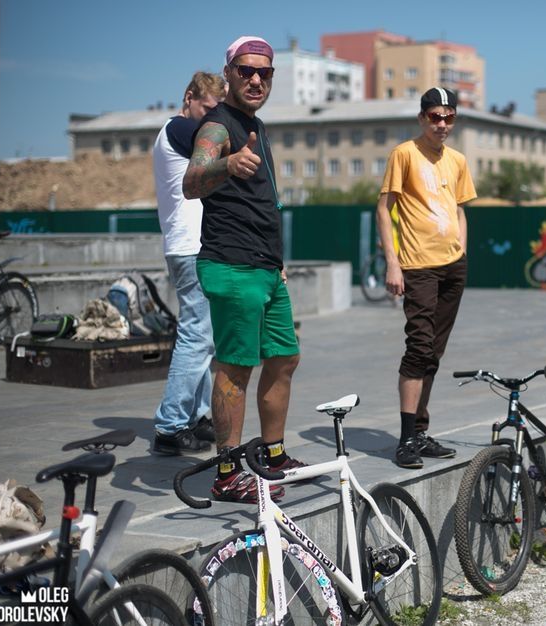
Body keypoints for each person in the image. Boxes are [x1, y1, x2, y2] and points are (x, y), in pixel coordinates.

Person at [183, 35, 304, 503]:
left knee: (284, 357)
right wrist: (228, 164)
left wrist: (277, 262)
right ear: (229, 72)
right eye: (246, 71)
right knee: (235, 368)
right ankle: (228, 472)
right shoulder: (217, 127)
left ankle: (272, 456)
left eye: (265, 72)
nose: (256, 79)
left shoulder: (254, 123)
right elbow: (192, 182)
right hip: (233, 264)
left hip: (264, 267)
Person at [376, 87, 476, 469]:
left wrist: (462, 251)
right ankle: (405, 440)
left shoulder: (458, 161)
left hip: (453, 265)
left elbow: (461, 210)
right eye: (435, 116)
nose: (442, 124)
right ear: (422, 118)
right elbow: (385, 209)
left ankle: (420, 430)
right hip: (417, 265)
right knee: (418, 348)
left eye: (449, 117)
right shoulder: (404, 154)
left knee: (434, 351)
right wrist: (393, 262)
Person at [151, 71, 226, 456]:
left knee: (203, 335)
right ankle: (170, 425)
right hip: (189, 246)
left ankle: (196, 416)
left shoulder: (184, 131)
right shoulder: (181, 127)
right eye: (208, 110)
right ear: (188, 98)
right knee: (197, 335)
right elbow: (213, 148)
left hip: (192, 246)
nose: (211, 120)